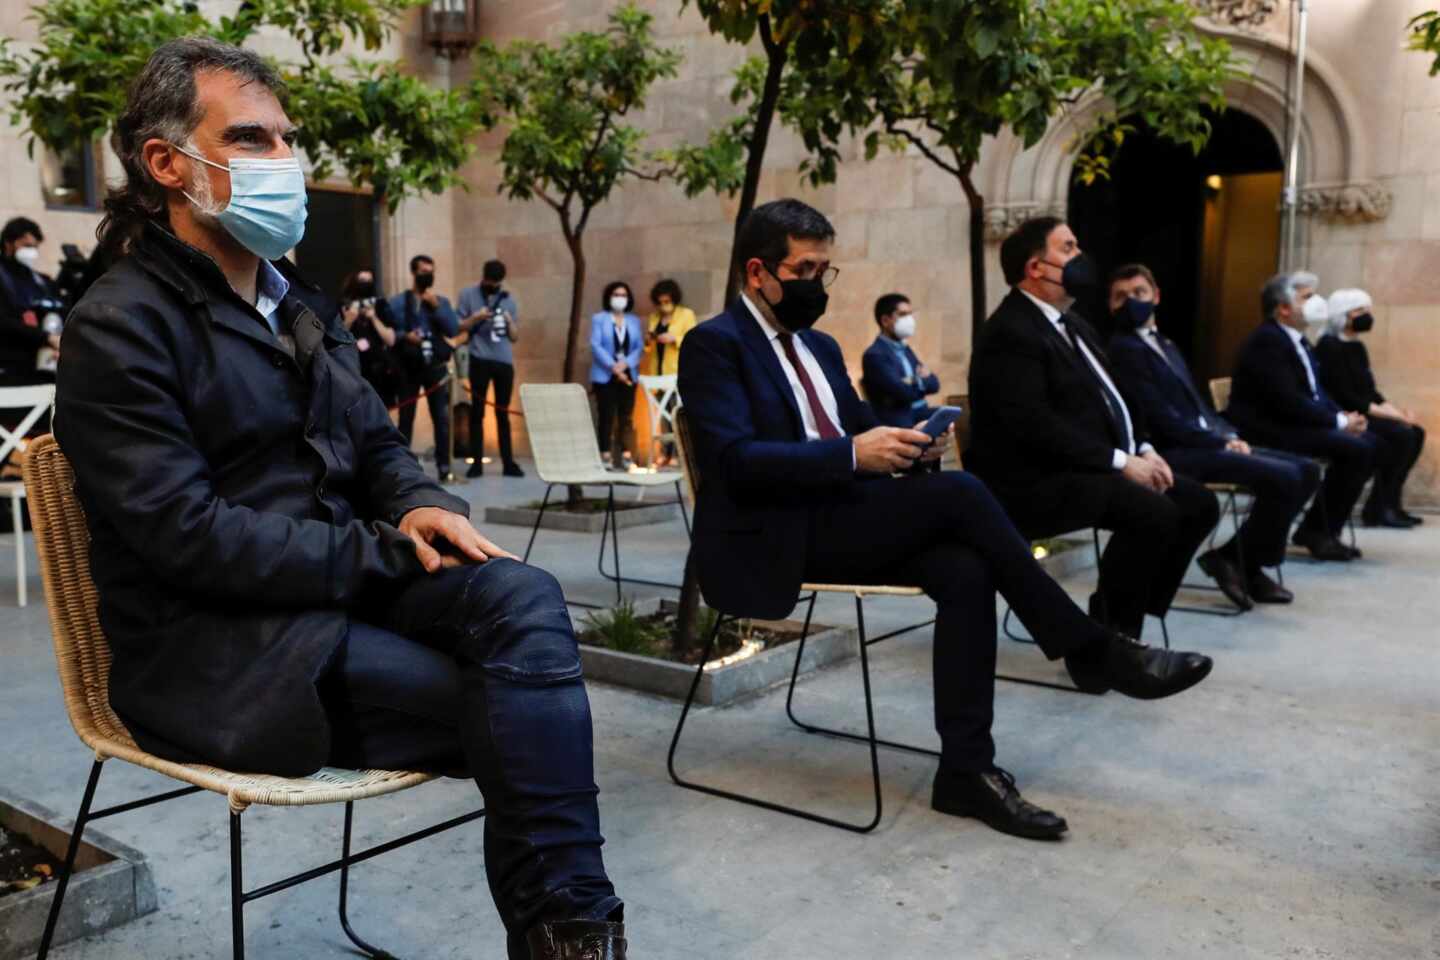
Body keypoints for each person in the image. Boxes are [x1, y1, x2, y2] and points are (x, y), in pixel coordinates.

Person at [53, 39, 625, 959]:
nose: (284, 162)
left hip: (337, 595)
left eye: (287, 139)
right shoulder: (119, 325)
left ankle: (572, 938)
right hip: (221, 648)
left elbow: (378, 444)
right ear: (166, 163)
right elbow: (187, 538)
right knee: (520, 700)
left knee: (523, 602)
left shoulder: (295, 307)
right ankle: (575, 942)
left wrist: (418, 505)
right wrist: (392, 552)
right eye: (250, 138)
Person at [678, 198, 1212, 842]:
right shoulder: (714, 344)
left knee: (964, 569)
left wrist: (902, 439)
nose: (818, 284)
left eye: (826, 270)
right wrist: (853, 453)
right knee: (959, 495)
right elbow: (733, 462)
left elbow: (856, 426)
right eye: (806, 270)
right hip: (774, 532)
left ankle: (966, 771)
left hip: (842, 515)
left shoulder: (818, 345)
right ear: (758, 271)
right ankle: (1093, 647)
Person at [967, 218, 1222, 640]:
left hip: (1079, 468)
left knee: (1198, 505)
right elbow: (1034, 425)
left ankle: (1119, 614)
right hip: (1030, 482)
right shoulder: (1009, 332)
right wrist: (1120, 463)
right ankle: (1109, 644)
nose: (1080, 257)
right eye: (1068, 248)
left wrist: (1142, 447)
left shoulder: (1074, 323)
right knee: (1151, 511)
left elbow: (1117, 398)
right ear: (1035, 268)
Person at [1105, 264, 1321, 605]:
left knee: (1308, 469)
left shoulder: (1166, 343)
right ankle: (1241, 563)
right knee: (1285, 477)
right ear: (1109, 306)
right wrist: (1220, 442)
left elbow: (1197, 406)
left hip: (1203, 442)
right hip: (1172, 451)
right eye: (1121, 297)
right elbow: (1161, 419)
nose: (1131, 301)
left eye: (1139, 293)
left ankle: (1240, 559)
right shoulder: (1122, 349)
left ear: (1156, 296)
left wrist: (1228, 433)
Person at [1226, 272, 1379, 561]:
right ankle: (1317, 532)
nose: (1316, 302)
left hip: (1290, 423)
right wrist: (1339, 423)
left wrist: (1343, 416)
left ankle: (1319, 529)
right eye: (1307, 296)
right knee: (1358, 450)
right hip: (1267, 428)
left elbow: (1316, 392)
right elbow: (1287, 401)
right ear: (1283, 308)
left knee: (1369, 443)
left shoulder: (1299, 340)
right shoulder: (1268, 340)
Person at [1316, 288, 1426, 527]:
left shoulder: (1357, 347)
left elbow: (1371, 392)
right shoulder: (1328, 346)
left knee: (1414, 432)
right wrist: (1395, 417)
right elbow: (1346, 396)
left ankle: (1389, 502)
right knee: (1401, 435)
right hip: (1343, 414)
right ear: (1342, 314)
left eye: (1367, 310)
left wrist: (1398, 412)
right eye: (1359, 310)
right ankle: (1379, 508)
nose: (1366, 315)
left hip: (1363, 411)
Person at [388, 255, 459, 482]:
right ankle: (404, 468)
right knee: (405, 419)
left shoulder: (440, 301)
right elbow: (389, 330)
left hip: (435, 367)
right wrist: (405, 336)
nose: (428, 275)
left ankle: (444, 467)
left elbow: (452, 329)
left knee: (441, 418)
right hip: (408, 367)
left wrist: (436, 307)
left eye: (431, 271)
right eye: (423, 271)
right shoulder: (398, 302)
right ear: (414, 273)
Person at [457, 259, 524, 478]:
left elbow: (514, 337)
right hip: (479, 358)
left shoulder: (508, 300)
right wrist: (476, 317)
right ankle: (476, 463)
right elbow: (458, 325)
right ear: (483, 277)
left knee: (503, 412)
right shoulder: (468, 295)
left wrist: (508, 321)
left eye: (497, 283)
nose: (493, 286)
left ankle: (508, 462)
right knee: (477, 412)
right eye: (490, 281)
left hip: (503, 361)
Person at [861, 293, 941, 429]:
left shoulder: (906, 349)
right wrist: (920, 380)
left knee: (950, 413)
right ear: (885, 321)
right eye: (903, 314)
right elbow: (902, 392)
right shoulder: (874, 355)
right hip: (898, 418)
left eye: (911, 314)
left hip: (918, 411)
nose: (910, 319)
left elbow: (934, 384)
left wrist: (912, 381)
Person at [0, 216, 64, 385]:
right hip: (9, 369)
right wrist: (45, 337)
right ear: (8, 243)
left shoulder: (40, 281)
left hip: (44, 365)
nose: (32, 252)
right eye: (27, 246)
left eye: (35, 247)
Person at [639, 278, 695, 466]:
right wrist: (649, 339)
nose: (664, 305)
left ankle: (681, 454)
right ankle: (666, 454)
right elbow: (647, 347)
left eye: (667, 301)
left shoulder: (686, 315)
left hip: (677, 370)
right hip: (659, 371)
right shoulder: (655, 318)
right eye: (661, 302)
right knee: (663, 416)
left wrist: (674, 338)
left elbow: (693, 339)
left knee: (678, 413)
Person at [589, 281, 644, 470]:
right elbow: (596, 345)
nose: (620, 298)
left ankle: (625, 453)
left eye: (623, 295)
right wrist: (614, 367)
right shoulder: (599, 319)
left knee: (626, 416)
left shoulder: (634, 321)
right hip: (605, 375)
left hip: (628, 374)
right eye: (616, 294)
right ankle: (605, 453)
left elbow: (638, 348)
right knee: (606, 415)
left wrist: (625, 365)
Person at [338, 269, 402, 408]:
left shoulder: (380, 306)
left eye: (369, 282)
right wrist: (348, 321)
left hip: (379, 372)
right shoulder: (344, 307)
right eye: (362, 281)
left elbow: (390, 339)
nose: (365, 286)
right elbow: (335, 340)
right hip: (354, 371)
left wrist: (374, 317)